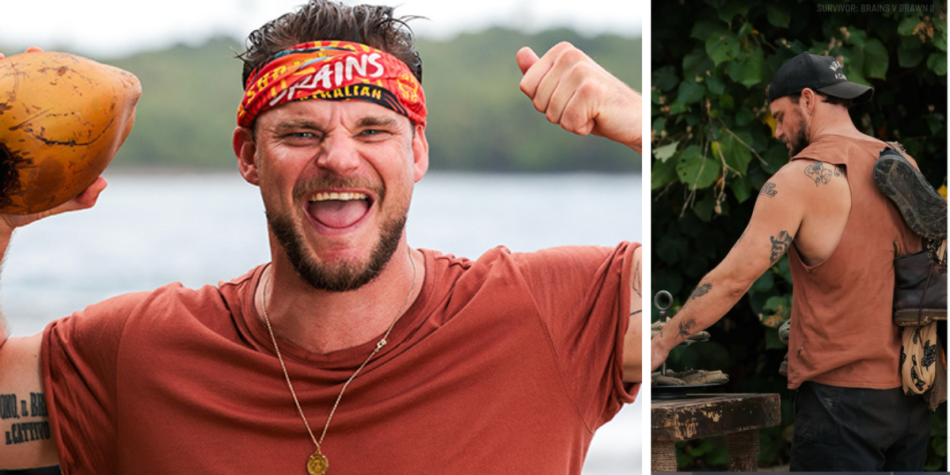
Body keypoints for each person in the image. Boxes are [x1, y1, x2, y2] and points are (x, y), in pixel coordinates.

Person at [0, 1, 643, 474]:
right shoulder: (139, 352)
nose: (338, 157)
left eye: (372, 130)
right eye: (300, 133)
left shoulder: (555, 314)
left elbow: (735, 279)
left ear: (417, 151)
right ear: (248, 157)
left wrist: (650, 128)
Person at [650, 52, 934, 471]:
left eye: (780, 116)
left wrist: (660, 342)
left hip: (841, 404)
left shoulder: (799, 178)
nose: (779, 131)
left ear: (807, 100)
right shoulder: (901, 163)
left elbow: (732, 280)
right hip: (912, 399)